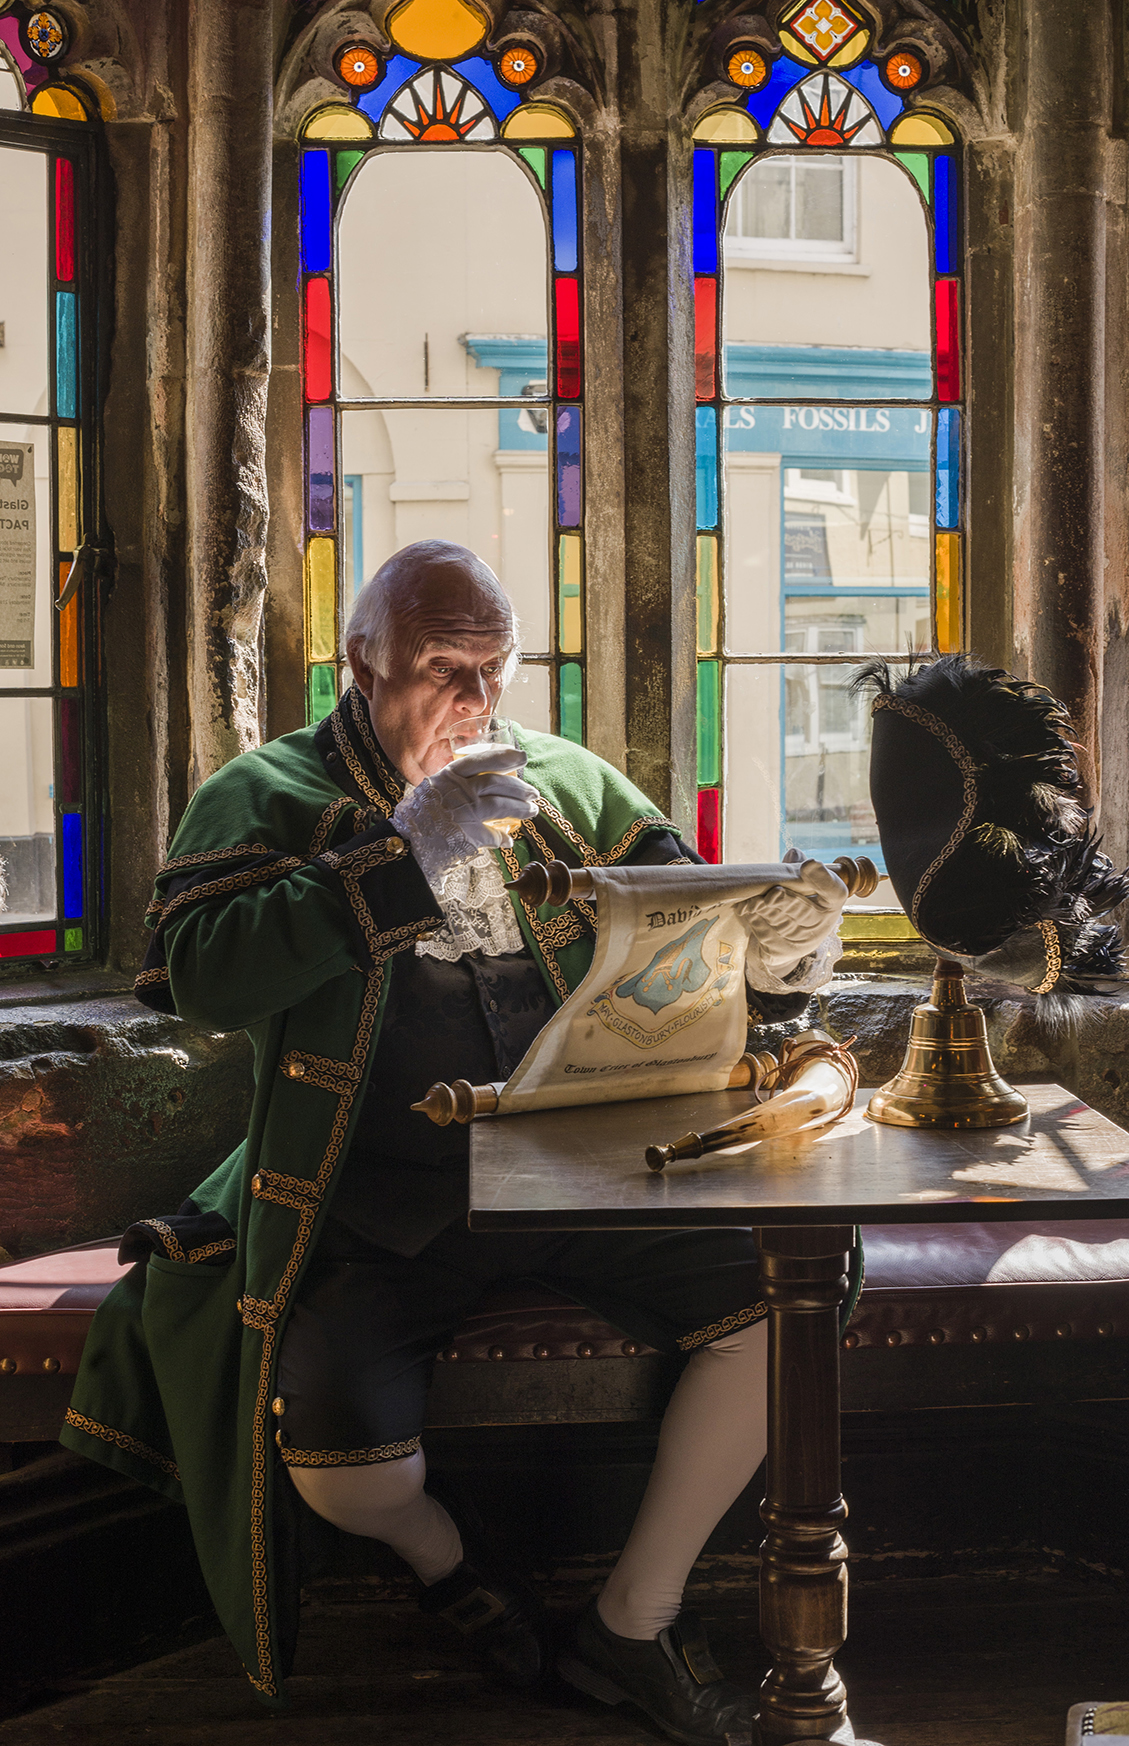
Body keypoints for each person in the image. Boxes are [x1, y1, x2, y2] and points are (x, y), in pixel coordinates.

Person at [62, 541, 848, 1746]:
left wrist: (783, 946)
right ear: (358, 663)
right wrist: (396, 859)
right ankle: (448, 1561)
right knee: (346, 1473)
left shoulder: (565, 781)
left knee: (794, 1297)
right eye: (444, 669)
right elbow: (196, 978)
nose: (478, 704)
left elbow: (692, 936)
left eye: (497, 670)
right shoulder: (263, 793)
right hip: (369, 1195)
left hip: (591, 1175)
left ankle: (631, 1619)